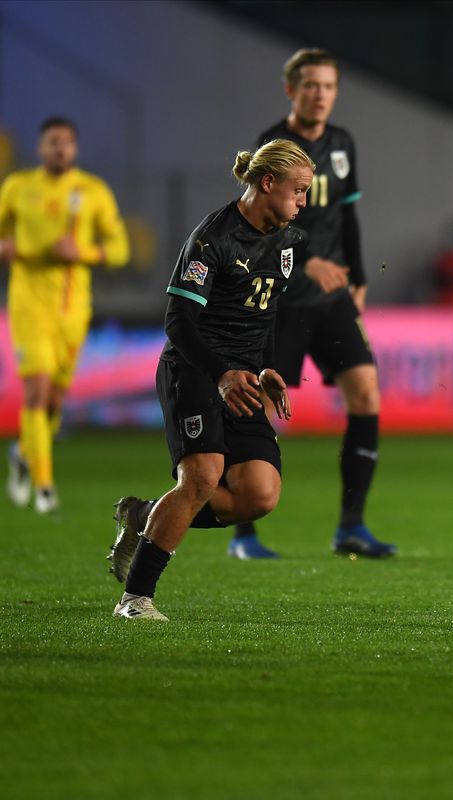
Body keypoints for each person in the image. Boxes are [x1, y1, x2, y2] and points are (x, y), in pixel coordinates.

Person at [105, 140, 311, 620]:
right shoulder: (212, 239)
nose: (304, 201)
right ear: (267, 183)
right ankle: (135, 599)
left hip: (243, 379)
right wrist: (221, 374)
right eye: (299, 190)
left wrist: (265, 368)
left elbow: (264, 313)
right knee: (201, 479)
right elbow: (178, 322)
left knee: (259, 495)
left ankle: (144, 515)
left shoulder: (286, 241)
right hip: (196, 370)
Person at [226, 47, 394, 560]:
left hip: (332, 297)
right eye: (311, 85)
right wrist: (308, 263)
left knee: (365, 392)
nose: (320, 95)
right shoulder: (273, 146)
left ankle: (351, 527)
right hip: (282, 299)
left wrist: (358, 279)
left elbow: (348, 218)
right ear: (291, 90)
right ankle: (243, 532)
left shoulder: (342, 144)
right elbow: (258, 223)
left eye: (329, 86)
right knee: (259, 403)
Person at [0, 117, 129, 513]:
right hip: (28, 304)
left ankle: (22, 454)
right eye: (53, 142)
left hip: (72, 310)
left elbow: (120, 249)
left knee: (54, 404)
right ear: (41, 148)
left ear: (74, 149)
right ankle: (44, 487)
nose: (60, 148)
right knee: (37, 392)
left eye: (67, 142)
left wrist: (83, 253)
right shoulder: (18, 188)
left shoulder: (92, 191)